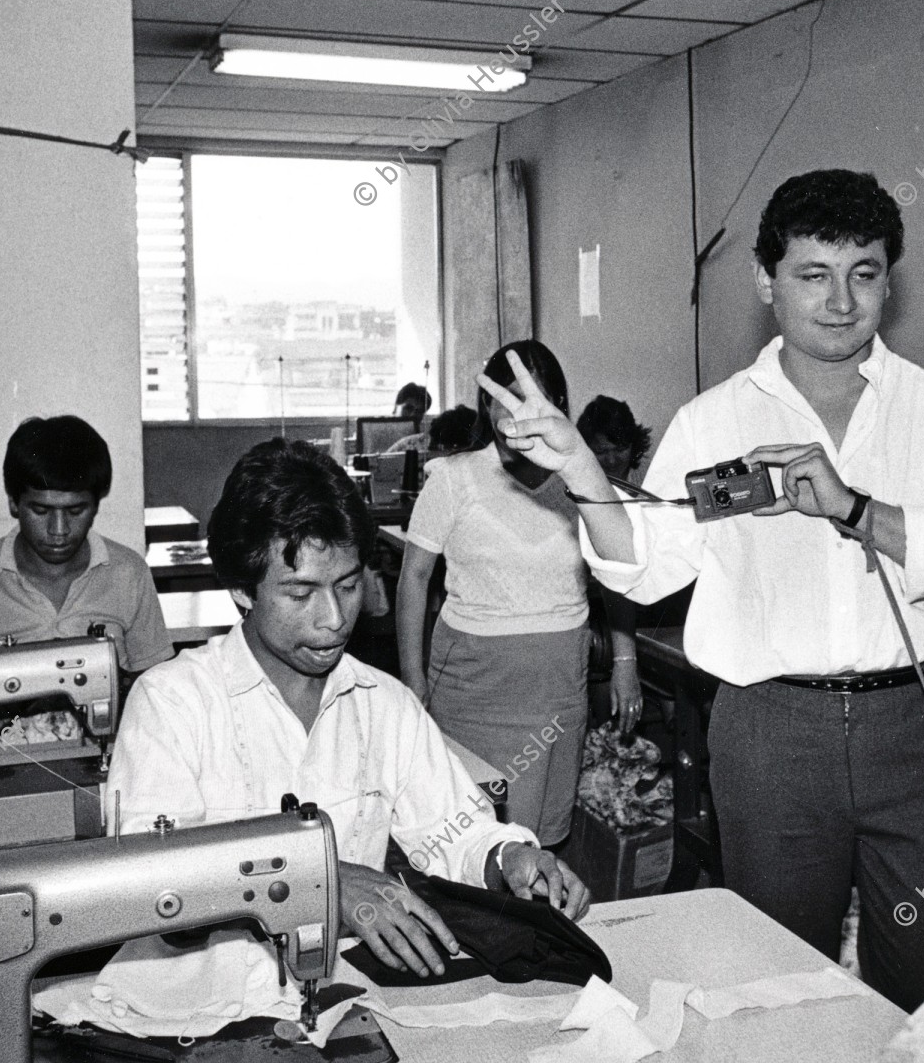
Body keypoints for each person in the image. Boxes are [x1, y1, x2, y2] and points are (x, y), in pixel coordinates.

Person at [481, 169, 924, 1011]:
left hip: (919, 728)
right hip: (773, 733)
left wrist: (854, 507)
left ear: (890, 280)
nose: (842, 301)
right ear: (767, 281)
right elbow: (647, 562)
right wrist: (582, 470)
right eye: (815, 275)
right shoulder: (715, 421)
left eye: (866, 274)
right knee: (777, 982)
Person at [103, 438, 585, 1024]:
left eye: (349, 585)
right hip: (182, 1014)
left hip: (336, 1005)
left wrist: (506, 857)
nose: (333, 619)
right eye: (301, 593)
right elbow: (153, 888)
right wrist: (318, 878)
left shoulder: (384, 704)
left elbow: (452, 830)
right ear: (240, 588)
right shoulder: (171, 703)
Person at [395, 341, 592, 848]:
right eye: (503, 400)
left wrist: (630, 663)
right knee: (478, 838)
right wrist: (413, 678)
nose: (515, 416)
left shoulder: (579, 477)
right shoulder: (454, 479)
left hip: (559, 684)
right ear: (486, 405)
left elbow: (615, 569)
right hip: (477, 689)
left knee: (545, 837)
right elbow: (414, 578)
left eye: (532, 402)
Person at [0, 415, 172, 672]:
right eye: (40, 511)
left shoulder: (128, 573)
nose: (59, 531)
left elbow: (155, 683)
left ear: (97, 505)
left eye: (76, 511)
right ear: (14, 503)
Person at [575, 396, 655, 735]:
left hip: (649, 600)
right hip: (599, 605)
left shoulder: (650, 481)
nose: (610, 460)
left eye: (618, 449)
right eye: (600, 451)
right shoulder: (580, 487)